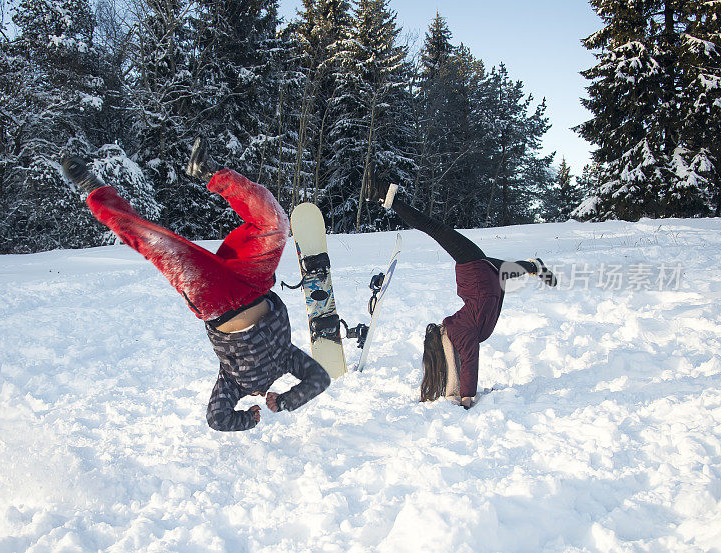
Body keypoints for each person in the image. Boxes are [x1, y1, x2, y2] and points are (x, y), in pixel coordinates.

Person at [60, 138, 330, 431]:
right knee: (275, 223)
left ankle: (92, 187)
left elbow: (217, 419)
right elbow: (319, 379)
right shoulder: (287, 359)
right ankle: (210, 172)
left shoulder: (231, 383)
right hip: (254, 283)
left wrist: (247, 420)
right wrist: (286, 401)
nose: (259, 393)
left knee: (156, 242)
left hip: (214, 300)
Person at [365, 170, 557, 409]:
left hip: (487, 282)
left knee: (495, 264)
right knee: (434, 228)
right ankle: (390, 198)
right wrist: (467, 396)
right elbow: (469, 361)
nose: (438, 326)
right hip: (477, 277)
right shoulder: (459, 332)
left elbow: (467, 356)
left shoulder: (464, 330)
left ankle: (533, 266)